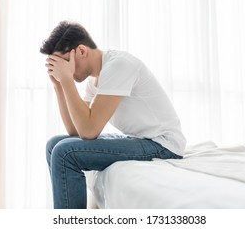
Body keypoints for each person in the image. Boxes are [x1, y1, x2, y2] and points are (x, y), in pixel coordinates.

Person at [41, 21, 186, 209]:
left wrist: (67, 80)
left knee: (65, 152)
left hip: (163, 144)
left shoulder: (119, 66)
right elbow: (75, 130)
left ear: (82, 51)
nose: (63, 70)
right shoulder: (95, 80)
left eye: (65, 63)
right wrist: (59, 86)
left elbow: (89, 131)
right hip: (140, 139)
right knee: (54, 145)